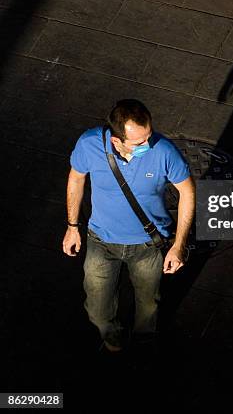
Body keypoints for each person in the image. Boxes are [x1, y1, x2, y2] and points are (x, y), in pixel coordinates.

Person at [62, 98, 195, 353]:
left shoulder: (164, 150)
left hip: (148, 245)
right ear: (116, 141)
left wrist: (178, 246)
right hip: (101, 241)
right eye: (139, 142)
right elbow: (76, 179)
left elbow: (187, 193)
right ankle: (112, 339)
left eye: (149, 135)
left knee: (148, 303)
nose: (149, 144)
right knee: (97, 308)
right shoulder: (89, 145)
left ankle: (145, 339)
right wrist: (72, 227)